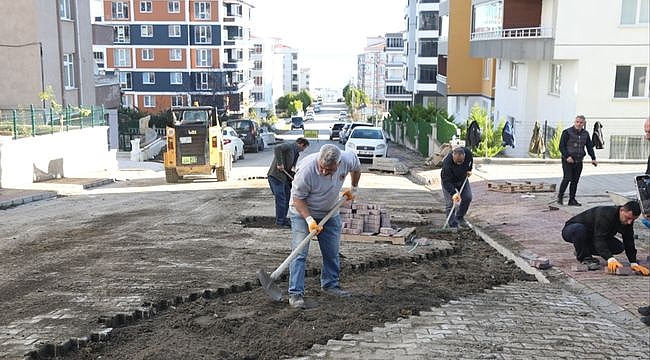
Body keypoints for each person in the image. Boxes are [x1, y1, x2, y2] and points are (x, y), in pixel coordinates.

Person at [286, 144, 361, 308]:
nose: (325, 172)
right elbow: (298, 199)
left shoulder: (347, 159)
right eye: (322, 168)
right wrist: (309, 221)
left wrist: (354, 187)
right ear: (319, 160)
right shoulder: (307, 170)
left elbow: (357, 167)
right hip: (302, 213)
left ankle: (330, 285)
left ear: (339, 164)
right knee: (299, 253)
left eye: (329, 170)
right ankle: (295, 293)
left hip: (329, 211)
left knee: (331, 251)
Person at [561, 201, 650, 276]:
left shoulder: (628, 222)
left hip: (593, 236)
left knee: (618, 247)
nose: (629, 222)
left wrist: (633, 262)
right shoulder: (605, 214)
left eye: (633, 220)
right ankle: (585, 257)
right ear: (622, 210)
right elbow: (599, 238)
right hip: (572, 230)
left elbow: (629, 240)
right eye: (628, 218)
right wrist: (610, 258)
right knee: (579, 229)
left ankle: (582, 249)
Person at [267, 137, 309, 227]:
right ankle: (280, 222)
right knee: (281, 199)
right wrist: (279, 163)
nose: (303, 150)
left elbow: (290, 168)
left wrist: (296, 177)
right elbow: (277, 148)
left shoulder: (296, 154)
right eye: (304, 148)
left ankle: (284, 219)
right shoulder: (289, 146)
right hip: (276, 176)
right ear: (301, 144)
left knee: (287, 197)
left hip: (284, 178)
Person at [557, 115, 598, 206]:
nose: (579, 124)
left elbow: (589, 147)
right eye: (577, 122)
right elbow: (561, 146)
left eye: (581, 122)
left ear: (584, 124)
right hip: (567, 160)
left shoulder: (585, 134)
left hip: (579, 160)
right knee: (567, 178)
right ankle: (560, 197)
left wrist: (593, 158)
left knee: (575, 180)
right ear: (574, 122)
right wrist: (567, 156)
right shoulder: (567, 132)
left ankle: (572, 200)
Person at [440, 146, 473, 228]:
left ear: (464, 156)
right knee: (450, 203)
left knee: (468, 197)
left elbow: (470, 162)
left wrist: (469, 169)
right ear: (452, 156)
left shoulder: (468, 153)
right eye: (456, 162)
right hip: (449, 181)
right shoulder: (447, 163)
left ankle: (459, 217)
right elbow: (446, 181)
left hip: (462, 179)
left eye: (460, 162)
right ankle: (452, 224)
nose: (459, 164)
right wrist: (453, 193)